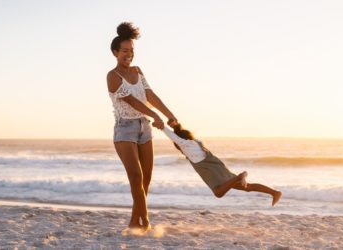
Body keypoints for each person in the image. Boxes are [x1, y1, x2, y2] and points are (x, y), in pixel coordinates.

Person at [107, 22, 177, 230]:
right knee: (135, 177)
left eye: (132, 51)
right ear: (115, 52)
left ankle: (133, 221)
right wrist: (153, 114)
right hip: (125, 129)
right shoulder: (112, 76)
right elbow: (132, 101)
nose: (129, 54)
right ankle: (145, 221)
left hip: (144, 128)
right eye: (125, 51)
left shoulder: (138, 71)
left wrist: (169, 115)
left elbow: (149, 95)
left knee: (145, 179)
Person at [157, 123, 282, 206]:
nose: (178, 144)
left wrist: (162, 127)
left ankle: (240, 176)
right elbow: (178, 135)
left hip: (212, 171)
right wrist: (175, 125)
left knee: (218, 193)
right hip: (217, 167)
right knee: (246, 187)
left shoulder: (187, 145)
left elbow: (175, 137)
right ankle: (275, 193)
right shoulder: (194, 143)